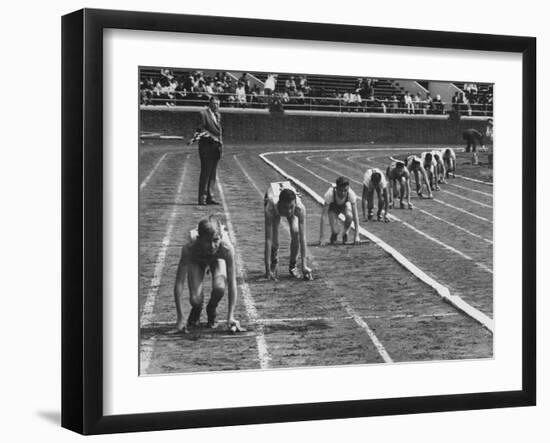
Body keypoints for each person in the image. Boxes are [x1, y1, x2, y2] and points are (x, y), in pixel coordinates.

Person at [170, 216, 243, 334]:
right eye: (207, 241)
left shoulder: (226, 248)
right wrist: (180, 318)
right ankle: (197, 308)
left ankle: (212, 308)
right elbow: (179, 282)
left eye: (215, 240)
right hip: (197, 259)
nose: (212, 245)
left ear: (220, 238)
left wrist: (231, 316)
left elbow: (232, 282)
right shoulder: (189, 247)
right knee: (195, 299)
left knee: (220, 287)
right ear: (199, 239)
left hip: (217, 259)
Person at [264, 182, 313, 281]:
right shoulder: (270, 207)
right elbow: (268, 239)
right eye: (286, 207)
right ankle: (274, 262)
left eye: (291, 207)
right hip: (273, 203)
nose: (289, 211)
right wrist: (267, 268)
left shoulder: (300, 208)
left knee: (296, 232)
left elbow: (302, 238)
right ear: (280, 204)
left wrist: (304, 265)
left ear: (295, 203)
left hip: (286, 203)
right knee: (274, 240)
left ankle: (293, 266)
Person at [196, 96, 223, 205]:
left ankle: (210, 196)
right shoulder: (203, 114)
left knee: (213, 173)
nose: (216, 106)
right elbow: (200, 129)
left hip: (216, 148)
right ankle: (202, 197)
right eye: (214, 104)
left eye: (218, 104)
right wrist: (212, 137)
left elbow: (219, 131)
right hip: (206, 148)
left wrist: (221, 144)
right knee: (205, 173)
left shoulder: (219, 115)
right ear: (210, 104)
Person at [319, 176, 361, 246]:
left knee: (350, 216)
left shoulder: (351, 194)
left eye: (345, 190)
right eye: (340, 191)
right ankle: (334, 234)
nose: (343, 193)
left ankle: (345, 232)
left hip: (344, 206)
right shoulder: (330, 194)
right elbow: (323, 216)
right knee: (336, 231)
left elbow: (355, 216)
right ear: (336, 188)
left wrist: (357, 236)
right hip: (333, 208)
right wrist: (322, 237)